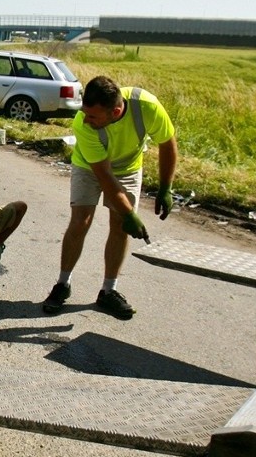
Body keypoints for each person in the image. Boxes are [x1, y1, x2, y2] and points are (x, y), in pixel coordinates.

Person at [42, 75, 178, 319]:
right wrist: (130, 213)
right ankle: (62, 284)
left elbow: (167, 143)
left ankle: (108, 291)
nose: (86, 118)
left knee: (119, 227)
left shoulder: (147, 106)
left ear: (115, 112)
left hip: (128, 167)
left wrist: (165, 187)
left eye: (93, 116)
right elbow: (104, 176)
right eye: (85, 112)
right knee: (81, 221)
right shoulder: (83, 124)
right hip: (89, 166)